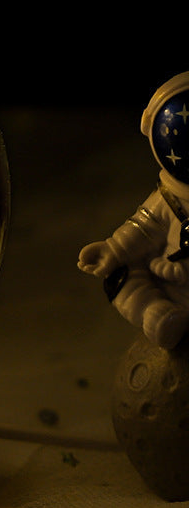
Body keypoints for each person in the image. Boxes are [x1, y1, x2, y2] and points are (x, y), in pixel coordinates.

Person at [78, 72, 189, 349]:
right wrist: (114, 250)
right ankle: (156, 314)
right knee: (119, 274)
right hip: (171, 284)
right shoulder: (167, 199)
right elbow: (144, 227)